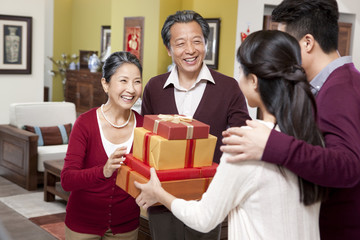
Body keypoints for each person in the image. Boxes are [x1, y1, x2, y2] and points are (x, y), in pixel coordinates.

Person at [135, 30, 328, 240]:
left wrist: (158, 193)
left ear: (253, 81)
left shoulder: (245, 144)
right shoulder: (311, 134)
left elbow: (204, 218)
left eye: (241, 70)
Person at [220, 1, 360, 239]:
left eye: (286, 44)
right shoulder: (330, 84)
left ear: (307, 43)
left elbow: (347, 165)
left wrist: (270, 144)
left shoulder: (340, 89)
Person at [141, 10, 250, 240]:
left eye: (196, 41)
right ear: (169, 49)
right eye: (180, 43)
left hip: (208, 200)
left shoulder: (229, 88)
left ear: (206, 45)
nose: (190, 50)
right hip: (162, 199)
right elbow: (146, 142)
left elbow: (241, 144)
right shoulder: (154, 87)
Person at [61, 51, 144, 240]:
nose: (131, 89)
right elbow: (67, 179)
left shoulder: (144, 126)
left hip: (126, 226)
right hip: (83, 224)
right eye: (123, 81)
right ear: (105, 84)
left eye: (137, 81)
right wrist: (104, 171)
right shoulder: (85, 123)